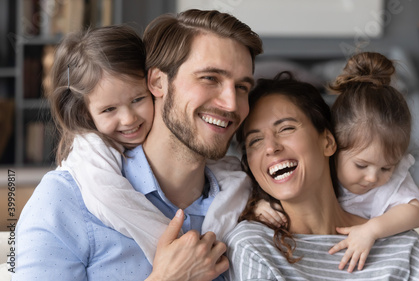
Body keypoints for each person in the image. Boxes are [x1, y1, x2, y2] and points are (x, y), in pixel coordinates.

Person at [13, 9, 262, 281]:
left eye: (242, 87)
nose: (231, 104)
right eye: (210, 78)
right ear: (157, 82)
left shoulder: (247, 201)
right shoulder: (66, 200)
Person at [223, 71, 419, 280]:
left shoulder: (403, 247)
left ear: (327, 142)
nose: (270, 147)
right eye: (255, 141)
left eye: (286, 128)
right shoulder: (253, 245)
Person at [326, 52, 419, 272]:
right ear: (332, 146)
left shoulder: (391, 181)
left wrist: (371, 230)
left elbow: (416, 212)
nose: (372, 177)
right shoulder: (321, 168)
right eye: (361, 165)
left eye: (386, 167)